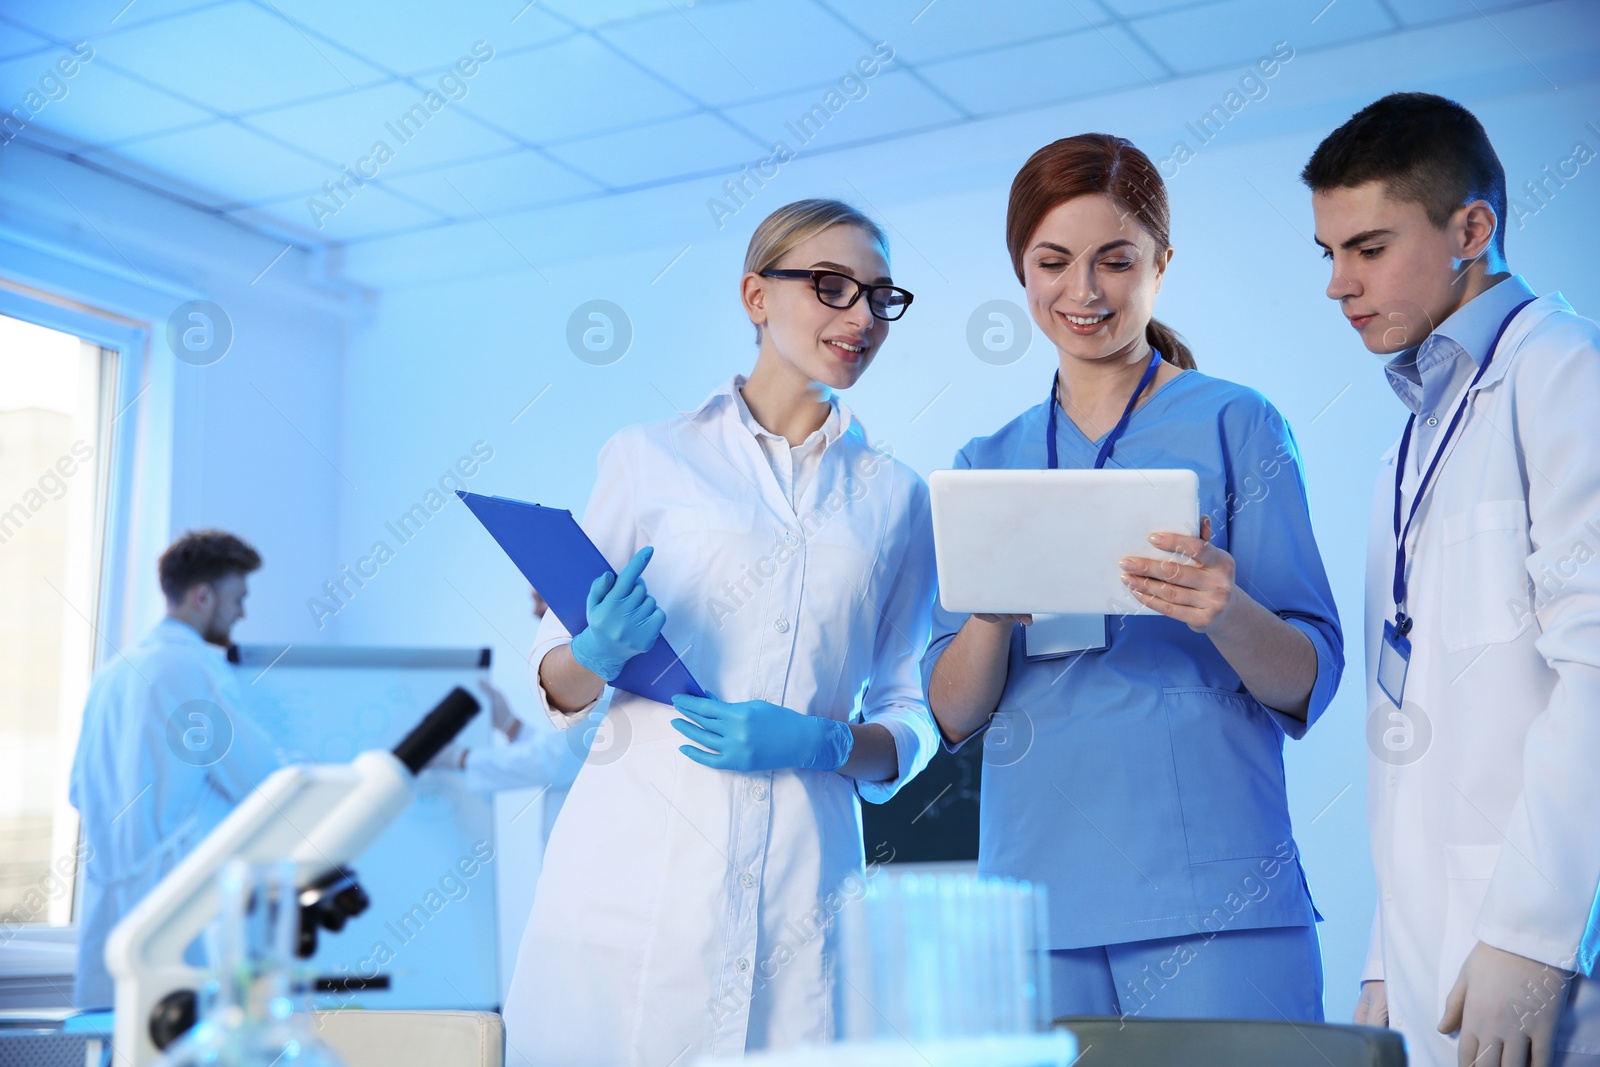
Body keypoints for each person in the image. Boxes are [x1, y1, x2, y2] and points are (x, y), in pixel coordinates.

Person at [501, 199, 939, 1064]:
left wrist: (824, 741)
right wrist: (593, 652)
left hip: (801, 883)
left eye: (878, 297)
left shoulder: (896, 496)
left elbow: (911, 714)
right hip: (632, 873)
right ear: (755, 296)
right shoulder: (649, 457)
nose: (859, 317)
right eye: (830, 286)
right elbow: (552, 678)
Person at [921, 134, 1344, 1022]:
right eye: (1054, 262)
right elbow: (952, 710)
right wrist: (992, 620)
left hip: (1213, 893)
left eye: (1116, 260)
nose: (1084, 291)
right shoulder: (985, 463)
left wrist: (1224, 608)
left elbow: (1307, 678)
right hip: (1035, 898)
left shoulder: (1237, 424)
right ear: (1021, 270)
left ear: (1162, 263)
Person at [1305, 92, 1600, 1067]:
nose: (1338, 285)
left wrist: (1535, 929)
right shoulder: (1419, 426)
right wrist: (1387, 953)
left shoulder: (1563, 375)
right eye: (1329, 254)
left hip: (1540, 942)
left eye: (1369, 247)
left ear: (1471, 228)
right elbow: (1408, 708)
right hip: (1435, 955)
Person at [68, 530, 282, 1008]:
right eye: (238, 598)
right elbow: (260, 778)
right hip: (180, 923)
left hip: (112, 922)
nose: (242, 613)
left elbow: (80, 791)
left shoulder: (112, 674)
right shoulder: (194, 670)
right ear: (203, 596)